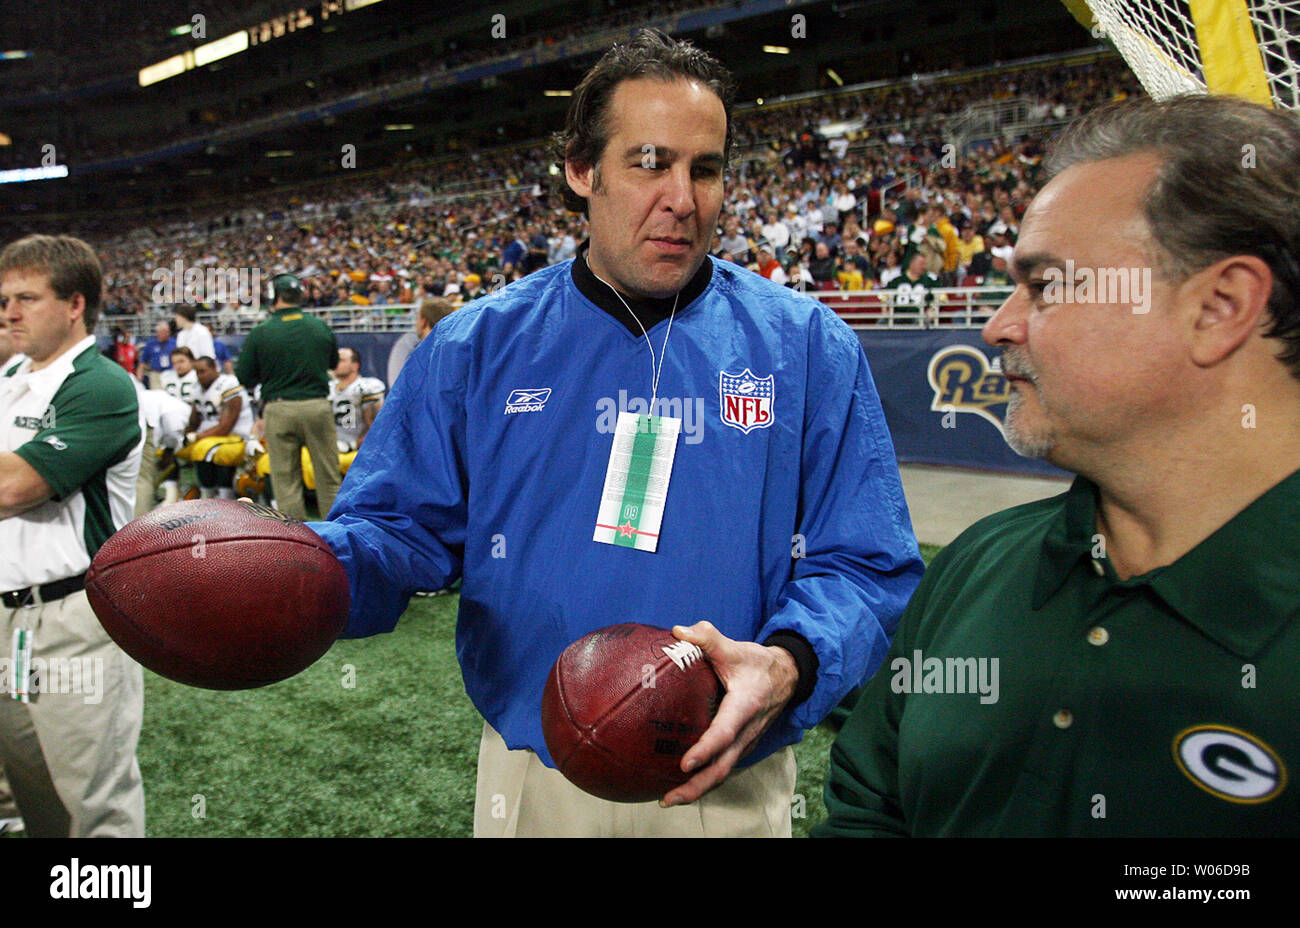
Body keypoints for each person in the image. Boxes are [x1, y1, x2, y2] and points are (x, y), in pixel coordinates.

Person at [309, 29, 922, 838]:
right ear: (579, 170)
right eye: (649, 163)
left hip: (725, 782)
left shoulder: (807, 348)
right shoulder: (475, 347)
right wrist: (301, 577)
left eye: (705, 169)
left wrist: (791, 662)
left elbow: (869, 562)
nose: (682, 197)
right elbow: (395, 531)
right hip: (537, 777)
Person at [815, 94, 1300, 838]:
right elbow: (867, 802)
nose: (998, 324)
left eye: (1044, 286)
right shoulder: (980, 564)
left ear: (1219, 307)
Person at [0, 234, 145, 837]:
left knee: (95, 802)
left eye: (27, 298)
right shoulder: (10, 374)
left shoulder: (101, 385)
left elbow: (12, 487)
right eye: (5, 298)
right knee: (30, 799)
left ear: (74, 304)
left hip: (71, 618)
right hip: (7, 619)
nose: (9, 311)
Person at [234, 273, 341, 520]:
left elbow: (244, 376)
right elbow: (333, 362)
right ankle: (338, 534)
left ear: (275, 295)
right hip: (317, 406)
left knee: (286, 481)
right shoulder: (319, 326)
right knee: (329, 477)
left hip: (280, 408)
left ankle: (296, 542)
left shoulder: (261, 332)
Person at [178, 355, 253, 500]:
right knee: (188, 448)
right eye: (197, 372)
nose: (199, 376)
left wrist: (197, 436)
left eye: (203, 371)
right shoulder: (197, 388)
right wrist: (186, 436)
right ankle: (206, 493)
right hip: (210, 436)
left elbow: (226, 426)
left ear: (214, 368)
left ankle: (225, 496)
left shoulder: (228, 384)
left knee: (207, 449)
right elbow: (194, 420)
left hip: (236, 435)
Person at [386, 296, 457, 386]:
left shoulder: (410, 350)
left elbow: (396, 387)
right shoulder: (459, 352)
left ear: (423, 322)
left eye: (418, 318)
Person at [138, 320, 176, 388]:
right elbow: (143, 360)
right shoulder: (151, 344)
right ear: (158, 332)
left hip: (170, 373)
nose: (167, 333)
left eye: (168, 331)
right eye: (165, 331)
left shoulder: (174, 342)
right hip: (155, 373)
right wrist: (140, 373)